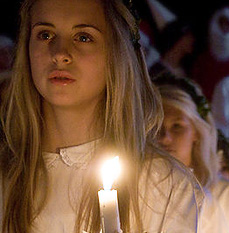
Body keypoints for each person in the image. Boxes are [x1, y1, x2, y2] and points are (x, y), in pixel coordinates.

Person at [0, 0, 202, 232]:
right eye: (45, 35)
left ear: (116, 54)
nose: (59, 54)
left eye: (83, 37)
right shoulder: (6, 177)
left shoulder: (161, 184)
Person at [154, 73, 229, 233]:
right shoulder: (142, 197)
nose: (165, 138)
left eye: (177, 126)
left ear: (196, 132)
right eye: (156, 127)